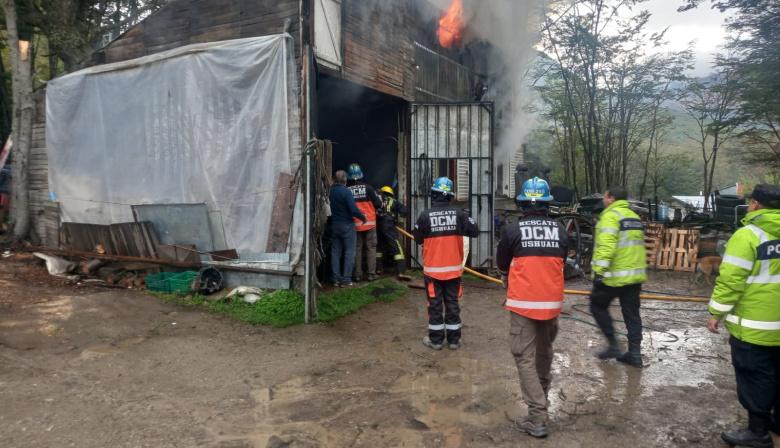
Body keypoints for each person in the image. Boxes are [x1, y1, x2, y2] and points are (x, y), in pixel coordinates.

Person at [707, 184, 780, 448]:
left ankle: (758, 433)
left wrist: (716, 312)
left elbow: (731, 281)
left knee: (755, 376)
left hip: (754, 326)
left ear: (755, 204)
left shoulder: (748, 235)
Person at [496, 177, 568, 439]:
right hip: (551, 305)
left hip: (523, 304)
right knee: (543, 353)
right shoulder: (560, 231)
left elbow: (502, 263)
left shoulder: (513, 231)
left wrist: (507, 275)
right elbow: (562, 260)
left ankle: (536, 417)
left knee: (524, 358)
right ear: (548, 204)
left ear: (523, 203)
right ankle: (542, 399)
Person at [413, 177, 480, 351]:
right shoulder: (459, 215)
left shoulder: (424, 216)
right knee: (452, 303)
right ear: (450, 196)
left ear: (433, 195)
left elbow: (418, 238)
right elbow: (475, 231)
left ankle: (435, 341)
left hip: (433, 272)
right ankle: (454, 341)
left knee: (434, 305)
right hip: (453, 271)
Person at [590, 185, 647, 368]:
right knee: (632, 314)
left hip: (614, 276)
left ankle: (613, 345)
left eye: (605, 197)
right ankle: (634, 355)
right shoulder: (634, 217)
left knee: (597, 305)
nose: (603, 201)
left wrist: (599, 272)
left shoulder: (610, 216)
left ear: (612, 198)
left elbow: (607, 247)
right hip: (635, 276)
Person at [328, 170, 366, 287]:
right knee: (349, 253)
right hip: (347, 226)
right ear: (345, 180)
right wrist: (363, 217)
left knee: (335, 253)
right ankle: (346, 280)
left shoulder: (330, 191)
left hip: (335, 225)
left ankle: (336, 280)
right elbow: (353, 209)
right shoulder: (346, 192)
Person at [346, 163, 382, 282]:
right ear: (361, 175)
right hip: (370, 223)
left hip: (355, 224)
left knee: (357, 248)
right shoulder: (369, 188)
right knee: (371, 248)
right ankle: (371, 274)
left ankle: (357, 275)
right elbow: (378, 204)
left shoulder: (347, 190)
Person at [375, 186, 411, 281]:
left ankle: (378, 269)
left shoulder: (377, 199)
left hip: (377, 225)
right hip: (388, 225)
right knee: (396, 247)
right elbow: (404, 210)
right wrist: (400, 222)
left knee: (379, 247)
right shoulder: (393, 201)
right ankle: (401, 271)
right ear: (391, 193)